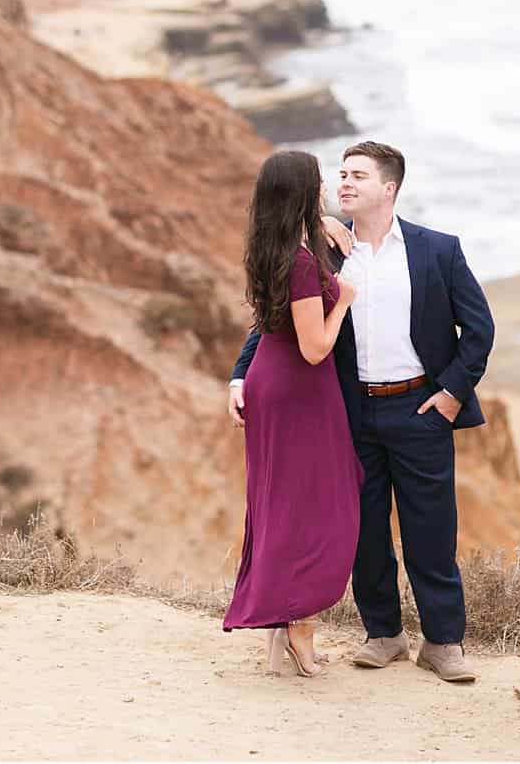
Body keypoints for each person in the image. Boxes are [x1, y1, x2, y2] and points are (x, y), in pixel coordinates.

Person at [228, 140, 495, 683]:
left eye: (358, 175)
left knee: (431, 529)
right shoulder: (324, 249)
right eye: (341, 174)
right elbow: (277, 318)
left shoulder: (437, 250)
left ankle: (444, 643)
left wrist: (449, 395)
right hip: (348, 414)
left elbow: (479, 330)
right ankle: (384, 635)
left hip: (422, 408)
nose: (345, 182)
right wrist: (240, 372)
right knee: (363, 530)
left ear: (389, 187)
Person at [221, 151, 362, 675]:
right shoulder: (302, 262)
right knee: (321, 509)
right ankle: (299, 626)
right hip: (301, 389)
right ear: (304, 193)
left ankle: (283, 622)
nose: (328, 190)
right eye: (320, 185)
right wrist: (343, 299)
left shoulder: (269, 248)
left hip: (274, 385)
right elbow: (315, 348)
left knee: (281, 503)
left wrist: (322, 224)